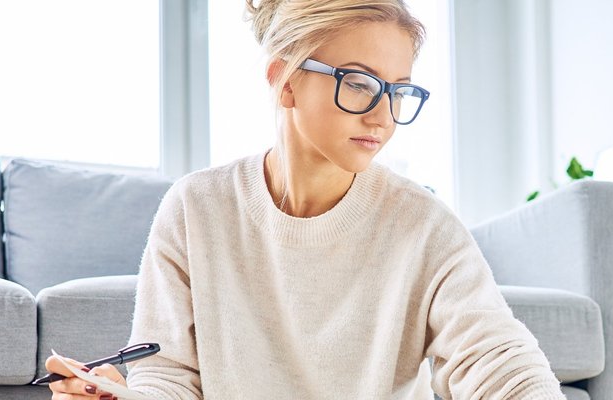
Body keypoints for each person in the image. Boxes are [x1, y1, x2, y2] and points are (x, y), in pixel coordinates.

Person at [46, 0, 565, 398]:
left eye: (400, 91)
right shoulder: (195, 209)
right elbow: (171, 376)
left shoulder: (423, 225)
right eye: (360, 83)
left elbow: (495, 358)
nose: (382, 115)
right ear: (285, 81)